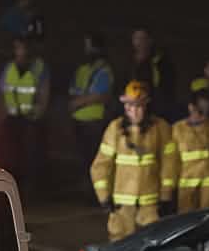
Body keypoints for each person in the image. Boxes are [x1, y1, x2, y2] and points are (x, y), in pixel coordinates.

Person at [92, 81, 179, 239]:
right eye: (130, 106)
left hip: (150, 205)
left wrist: (166, 196)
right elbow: (101, 165)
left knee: (154, 244)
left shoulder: (160, 128)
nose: (134, 111)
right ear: (125, 106)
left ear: (146, 105)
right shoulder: (115, 129)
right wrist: (104, 197)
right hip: (122, 206)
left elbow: (169, 163)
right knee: (120, 246)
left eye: (138, 106)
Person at [0, 37, 50, 201]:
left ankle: (30, 194)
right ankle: (13, 192)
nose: (20, 52)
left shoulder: (39, 68)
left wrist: (37, 116)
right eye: (17, 48)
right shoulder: (9, 68)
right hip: (12, 120)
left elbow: (44, 95)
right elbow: (2, 94)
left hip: (30, 121)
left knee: (30, 160)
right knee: (11, 158)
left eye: (22, 48)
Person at [172, 87, 209, 212]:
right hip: (187, 179)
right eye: (202, 106)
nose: (205, 110)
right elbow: (171, 156)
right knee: (185, 217)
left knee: (208, 215)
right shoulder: (178, 128)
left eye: (207, 105)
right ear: (191, 107)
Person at [68, 32, 114, 162]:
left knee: (93, 159)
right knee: (83, 158)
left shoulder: (104, 70)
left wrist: (77, 103)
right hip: (78, 120)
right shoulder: (82, 69)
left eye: (90, 46)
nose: (88, 50)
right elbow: (73, 89)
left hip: (94, 122)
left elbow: (101, 95)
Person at [127, 28, 177, 118]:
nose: (139, 42)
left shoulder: (160, 61)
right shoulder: (129, 61)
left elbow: (167, 86)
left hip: (155, 106)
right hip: (133, 104)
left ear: (150, 41)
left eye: (142, 38)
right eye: (136, 38)